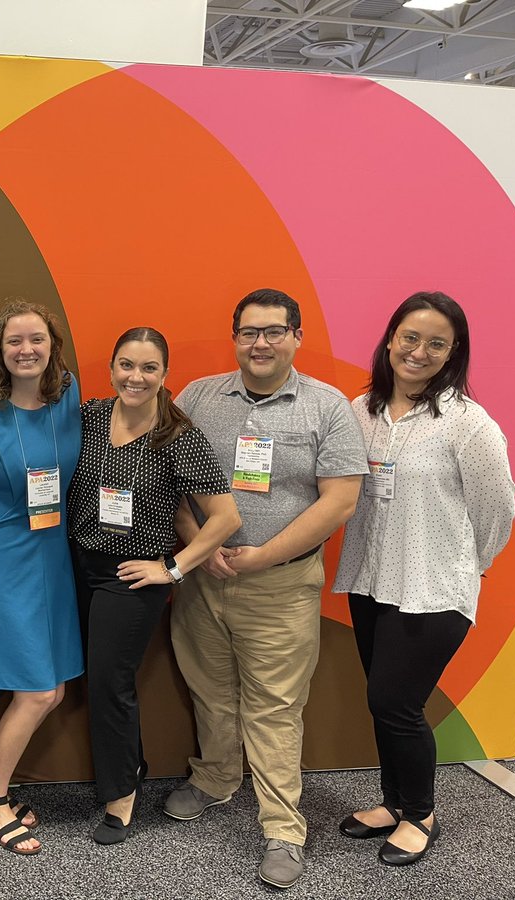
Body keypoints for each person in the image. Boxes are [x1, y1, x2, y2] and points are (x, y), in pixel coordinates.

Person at [166, 288, 367, 889]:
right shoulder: (198, 398)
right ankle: (216, 777)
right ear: (235, 338)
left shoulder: (328, 409)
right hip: (203, 580)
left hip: (281, 584)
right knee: (209, 687)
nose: (261, 343)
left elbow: (340, 500)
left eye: (274, 331)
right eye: (250, 332)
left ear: (296, 337)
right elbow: (168, 480)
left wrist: (260, 557)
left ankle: (283, 828)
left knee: (276, 706)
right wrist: (199, 551)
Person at [332, 291, 515, 866]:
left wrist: (467, 563)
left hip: (434, 586)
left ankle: (421, 814)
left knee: (397, 702)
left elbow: (497, 509)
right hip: (371, 579)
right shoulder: (359, 410)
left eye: (437, 343)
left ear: (453, 352)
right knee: (381, 701)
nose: (419, 351)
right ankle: (394, 801)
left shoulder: (467, 423)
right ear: (390, 340)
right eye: (410, 337)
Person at [67, 327, 240, 845]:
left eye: (148, 368)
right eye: (126, 365)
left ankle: (120, 798)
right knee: (86, 678)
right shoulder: (91, 416)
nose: (135, 377)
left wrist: (173, 568)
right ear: (112, 368)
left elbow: (225, 518)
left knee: (109, 683)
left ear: (165, 376)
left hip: (132, 575)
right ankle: (130, 768)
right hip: (77, 562)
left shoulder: (175, 435)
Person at [0, 299, 83, 855]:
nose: (26, 350)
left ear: (52, 345)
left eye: (36, 339)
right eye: (14, 342)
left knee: (51, 692)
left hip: (50, 556)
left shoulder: (70, 396)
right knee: (37, 690)